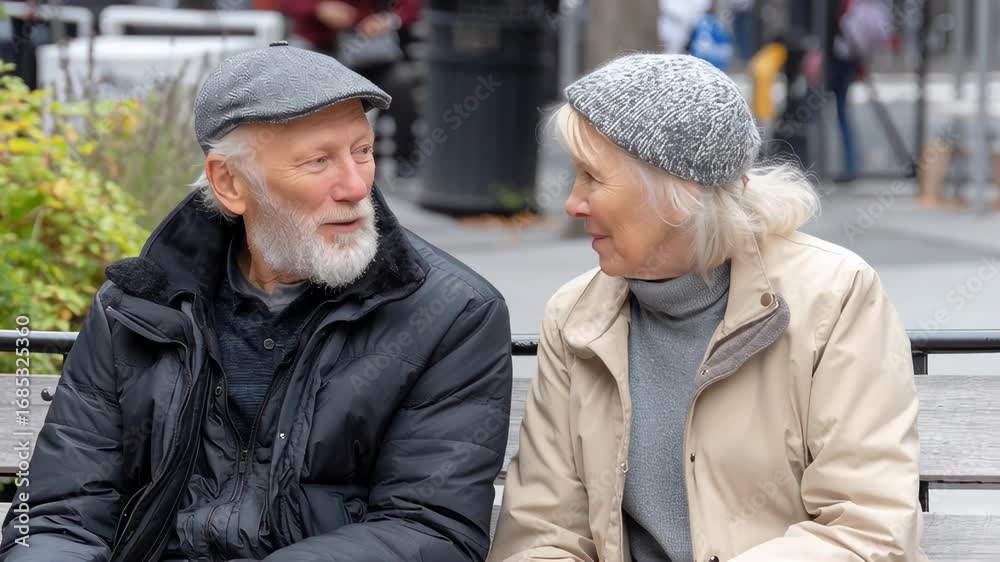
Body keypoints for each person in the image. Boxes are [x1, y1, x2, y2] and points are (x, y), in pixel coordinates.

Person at [0, 43, 512, 561]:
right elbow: (58, 515)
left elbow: (430, 528)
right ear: (230, 182)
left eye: (363, 151)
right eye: (318, 161)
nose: (356, 186)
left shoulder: (451, 315)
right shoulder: (137, 307)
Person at [488, 54, 927, 562]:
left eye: (592, 177)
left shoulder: (835, 295)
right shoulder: (575, 315)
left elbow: (868, 528)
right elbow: (543, 533)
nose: (573, 203)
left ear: (678, 189)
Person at [279, 0, 422, 176]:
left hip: (372, 56)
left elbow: (409, 8)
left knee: (401, 84)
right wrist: (319, 8)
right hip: (322, 50)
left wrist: (387, 20)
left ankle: (400, 163)